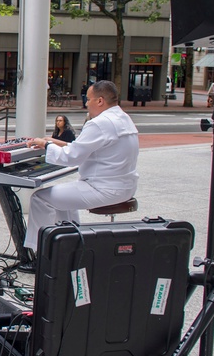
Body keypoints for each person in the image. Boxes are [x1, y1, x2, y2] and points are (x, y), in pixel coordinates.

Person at [22, 80, 139, 271]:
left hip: (104, 188)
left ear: (100, 100)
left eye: (89, 99)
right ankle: (70, 246)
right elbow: (88, 148)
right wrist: (54, 142)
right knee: (63, 196)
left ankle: (41, 258)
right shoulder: (123, 118)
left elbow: (71, 157)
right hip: (124, 185)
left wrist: (46, 145)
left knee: (40, 198)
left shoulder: (99, 123)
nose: (86, 103)